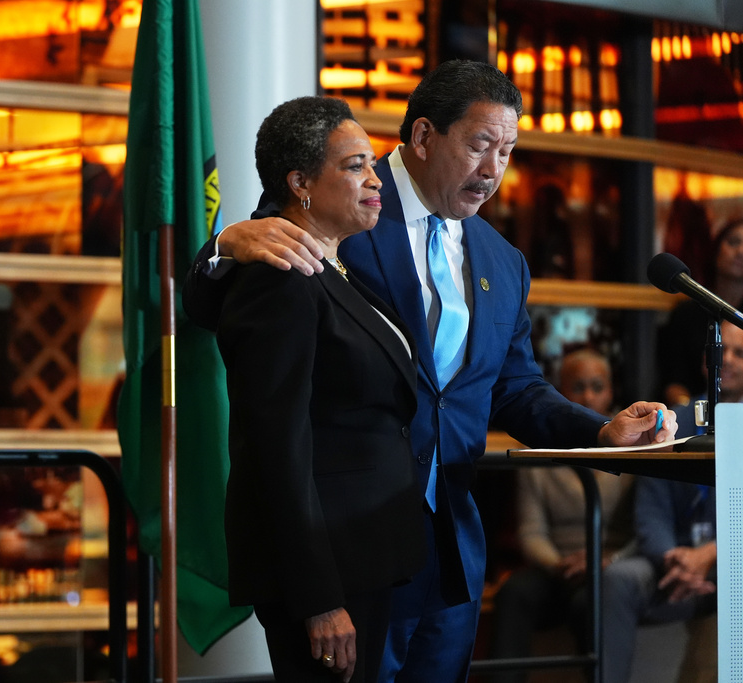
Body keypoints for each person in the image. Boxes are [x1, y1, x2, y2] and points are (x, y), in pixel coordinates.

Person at [183, 60, 677, 683]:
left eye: (508, 150)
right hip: (347, 546)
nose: (495, 168)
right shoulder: (343, 206)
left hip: (451, 552)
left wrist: (600, 431)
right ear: (422, 138)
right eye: (479, 145)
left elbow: (514, 389)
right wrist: (223, 242)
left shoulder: (504, 260)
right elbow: (231, 292)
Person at [218, 96, 426, 683]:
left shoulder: (335, 268)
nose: (375, 177)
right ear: (301, 183)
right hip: (325, 572)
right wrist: (318, 599)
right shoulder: (279, 282)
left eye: (372, 162)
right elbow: (276, 448)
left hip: (365, 552)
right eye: (356, 164)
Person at [602, 322, 742, 682]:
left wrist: (709, 556)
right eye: (719, 351)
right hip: (673, 563)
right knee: (618, 579)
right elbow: (651, 508)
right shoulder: (675, 418)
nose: (726, 360)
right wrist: (672, 558)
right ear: (703, 361)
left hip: (733, 564)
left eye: (739, 353)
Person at [489, 348, 635, 683]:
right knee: (514, 593)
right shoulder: (541, 448)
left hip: (611, 566)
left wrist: (607, 561)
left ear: (611, 391)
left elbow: (642, 531)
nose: (588, 395)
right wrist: (560, 565)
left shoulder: (633, 448)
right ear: (559, 392)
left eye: (597, 387)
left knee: (593, 602)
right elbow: (530, 531)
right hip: (557, 568)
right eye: (578, 386)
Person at [658, 217, 743, 406]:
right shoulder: (687, 314)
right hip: (694, 415)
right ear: (716, 250)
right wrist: (694, 415)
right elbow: (673, 380)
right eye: (733, 242)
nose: (741, 252)